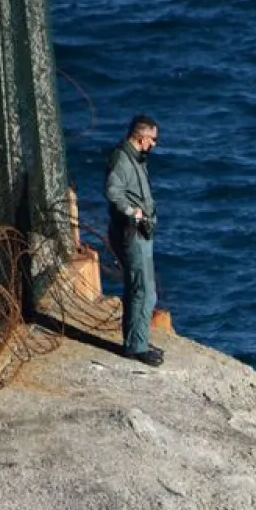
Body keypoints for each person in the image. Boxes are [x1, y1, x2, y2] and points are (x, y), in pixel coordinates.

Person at [105, 115, 163, 367]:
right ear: (141, 137)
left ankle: (135, 341)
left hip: (139, 233)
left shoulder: (135, 158)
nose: (154, 145)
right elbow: (112, 191)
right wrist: (132, 212)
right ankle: (136, 347)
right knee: (145, 291)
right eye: (153, 139)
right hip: (132, 233)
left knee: (137, 288)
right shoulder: (122, 158)